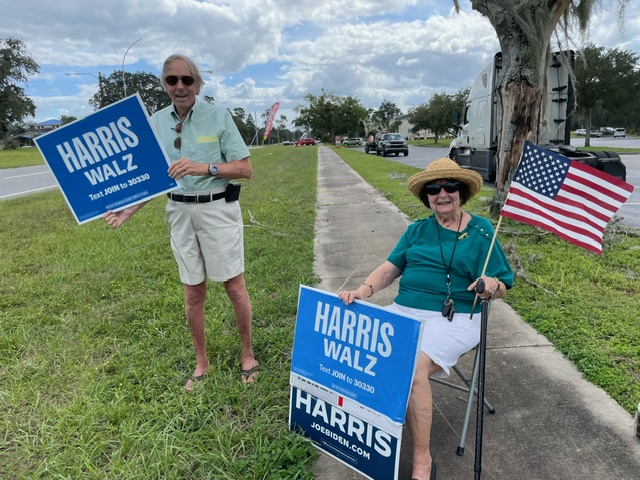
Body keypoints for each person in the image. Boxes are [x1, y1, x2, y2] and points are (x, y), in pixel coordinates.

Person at [338, 158, 514, 480]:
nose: (442, 194)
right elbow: (389, 269)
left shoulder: (480, 231)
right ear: (426, 196)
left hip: (457, 317)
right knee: (359, 346)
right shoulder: (416, 230)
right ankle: (366, 434)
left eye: (450, 186)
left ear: (461, 192)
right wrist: (363, 291)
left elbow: (502, 285)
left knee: (413, 366)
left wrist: (491, 285)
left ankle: (422, 462)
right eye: (433, 188)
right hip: (405, 310)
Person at [103, 53, 259, 389]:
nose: (180, 86)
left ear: (197, 84)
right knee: (192, 292)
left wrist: (204, 167)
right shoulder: (156, 123)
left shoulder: (218, 117)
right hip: (178, 211)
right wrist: (128, 210)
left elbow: (245, 168)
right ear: (164, 84)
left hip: (217, 209)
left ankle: (247, 354)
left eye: (187, 80)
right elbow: (153, 178)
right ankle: (201, 362)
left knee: (234, 287)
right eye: (172, 80)